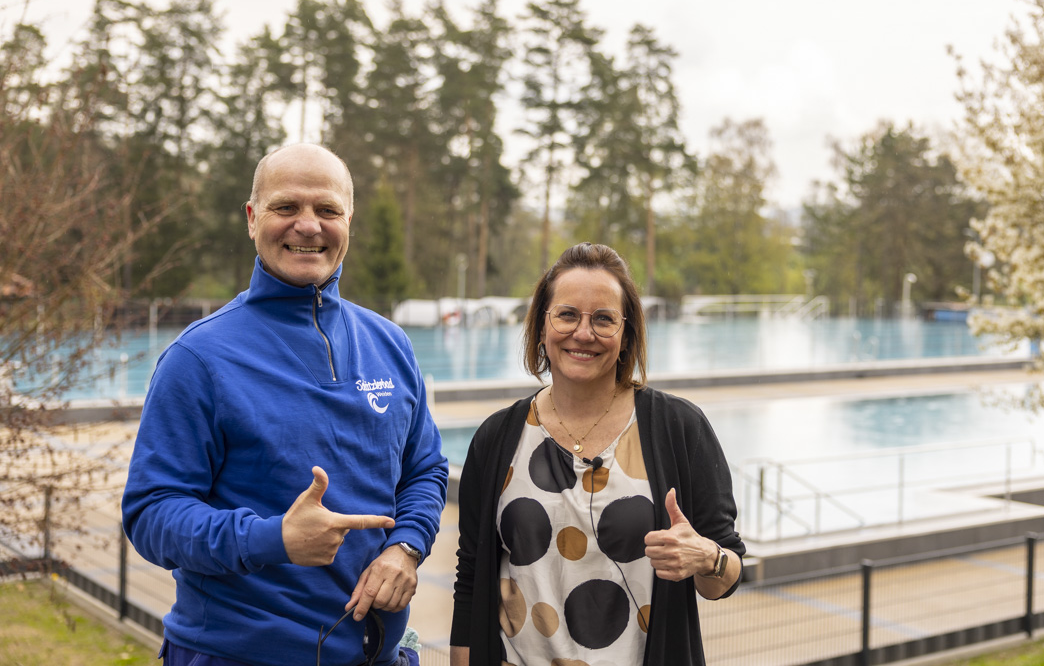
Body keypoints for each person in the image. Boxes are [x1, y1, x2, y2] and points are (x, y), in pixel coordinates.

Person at [122, 143, 448, 666]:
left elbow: (425, 468)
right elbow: (151, 513)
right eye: (286, 208)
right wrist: (271, 538)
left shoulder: (389, 343)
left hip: (377, 655)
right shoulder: (198, 358)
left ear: (349, 222)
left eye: (327, 210)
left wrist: (406, 547)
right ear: (253, 219)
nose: (308, 226)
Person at [451, 242, 745, 666]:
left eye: (603, 319)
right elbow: (471, 578)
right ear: (541, 326)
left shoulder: (679, 428)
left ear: (626, 336)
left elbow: (724, 578)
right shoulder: (497, 438)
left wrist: (707, 556)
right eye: (567, 314)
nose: (583, 333)